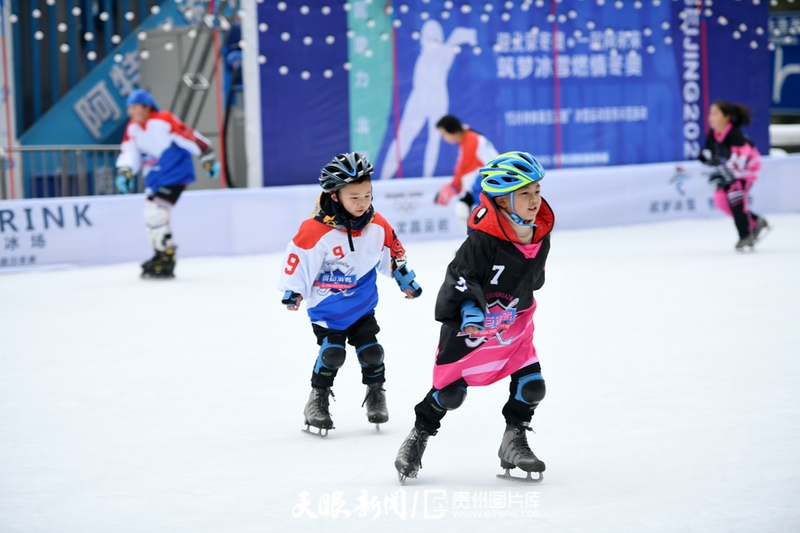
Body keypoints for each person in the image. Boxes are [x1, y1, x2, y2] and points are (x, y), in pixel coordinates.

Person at [395, 151, 554, 483]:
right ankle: (418, 436)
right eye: (524, 193)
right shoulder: (482, 240)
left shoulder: (540, 232)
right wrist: (471, 315)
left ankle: (514, 442)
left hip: (513, 325)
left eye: (537, 191)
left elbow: (533, 280)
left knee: (532, 385)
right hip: (474, 328)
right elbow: (461, 277)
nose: (534, 200)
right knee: (451, 394)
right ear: (503, 200)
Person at [278, 152, 423, 436]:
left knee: (372, 352)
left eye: (367, 195)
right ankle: (317, 401)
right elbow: (298, 262)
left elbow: (394, 254)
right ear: (335, 196)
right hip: (326, 309)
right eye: (354, 197)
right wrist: (293, 291)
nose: (363, 203)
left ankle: (375, 392)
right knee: (332, 353)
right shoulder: (314, 230)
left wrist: (405, 280)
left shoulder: (377, 224)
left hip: (361, 306)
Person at [115, 89, 220, 278]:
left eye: (134, 107)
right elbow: (129, 152)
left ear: (147, 107)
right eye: (129, 108)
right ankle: (161, 253)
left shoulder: (163, 119)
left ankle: (166, 255)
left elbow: (187, 135)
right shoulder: (133, 128)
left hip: (175, 174)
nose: (130, 112)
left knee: (155, 213)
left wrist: (207, 156)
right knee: (152, 216)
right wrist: (125, 171)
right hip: (154, 178)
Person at [699, 100, 769, 252]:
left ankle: (745, 235)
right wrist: (707, 157)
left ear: (726, 117)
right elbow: (707, 153)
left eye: (715, 113)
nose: (711, 117)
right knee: (720, 199)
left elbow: (741, 160)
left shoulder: (735, 134)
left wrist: (726, 164)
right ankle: (756, 222)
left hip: (748, 169)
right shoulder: (713, 134)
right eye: (711, 113)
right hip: (731, 171)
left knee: (735, 196)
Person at [434, 115, 499, 233]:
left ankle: (477, 246)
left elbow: (464, 168)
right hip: (485, 184)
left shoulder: (471, 140)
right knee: (465, 210)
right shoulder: (468, 138)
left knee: (465, 210)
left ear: (452, 131)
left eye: (444, 134)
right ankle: (474, 245)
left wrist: (453, 186)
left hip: (488, 184)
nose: (444, 138)